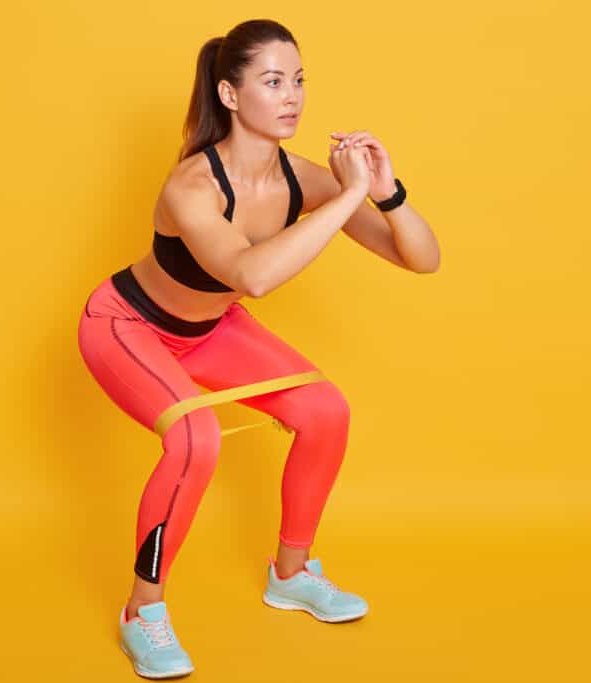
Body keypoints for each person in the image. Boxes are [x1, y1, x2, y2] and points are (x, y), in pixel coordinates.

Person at [76, 18, 439, 678]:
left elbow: (421, 257)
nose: (292, 95)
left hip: (210, 331)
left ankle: (291, 573)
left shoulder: (300, 179)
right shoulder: (193, 186)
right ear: (231, 95)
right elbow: (253, 276)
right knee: (196, 438)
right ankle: (142, 610)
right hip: (126, 325)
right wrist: (349, 193)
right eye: (273, 81)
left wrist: (386, 192)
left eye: (298, 80)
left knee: (326, 410)